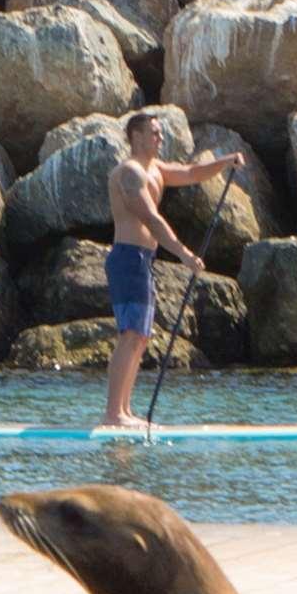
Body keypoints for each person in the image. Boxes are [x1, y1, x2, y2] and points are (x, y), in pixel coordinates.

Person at [96, 113, 246, 433]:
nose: (160, 138)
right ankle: (112, 414)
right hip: (127, 259)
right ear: (136, 136)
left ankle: (124, 410)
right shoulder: (129, 174)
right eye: (154, 133)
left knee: (141, 337)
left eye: (160, 133)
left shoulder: (157, 170)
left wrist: (225, 161)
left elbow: (192, 172)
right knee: (130, 335)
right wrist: (184, 254)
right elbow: (150, 218)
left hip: (143, 260)